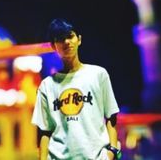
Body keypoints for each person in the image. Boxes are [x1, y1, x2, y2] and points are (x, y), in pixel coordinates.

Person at [32, 18, 121, 160]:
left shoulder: (98, 75)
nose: (66, 42)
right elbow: (44, 131)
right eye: (60, 39)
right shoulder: (47, 85)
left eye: (70, 36)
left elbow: (111, 117)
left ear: (79, 39)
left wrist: (112, 151)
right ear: (54, 46)